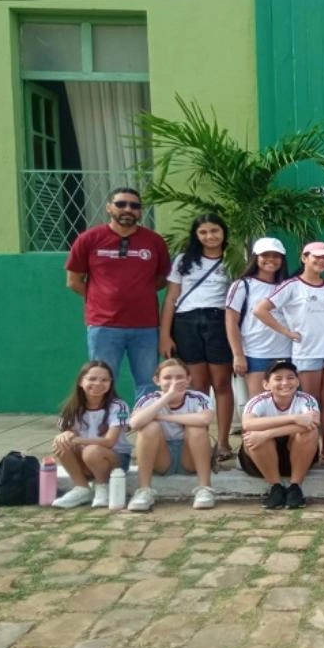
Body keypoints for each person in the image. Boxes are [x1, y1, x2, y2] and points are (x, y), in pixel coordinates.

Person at [65, 187, 171, 401]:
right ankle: (107, 426)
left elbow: (162, 279)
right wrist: (101, 297)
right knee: (101, 380)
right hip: (104, 326)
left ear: (140, 212)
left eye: (134, 206)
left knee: (148, 381)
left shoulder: (154, 241)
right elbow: (74, 281)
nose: (128, 209)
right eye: (121, 204)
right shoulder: (89, 239)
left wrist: (137, 293)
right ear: (109, 207)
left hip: (146, 326)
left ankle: (144, 428)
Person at [255, 241, 324, 461]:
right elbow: (260, 310)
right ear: (304, 257)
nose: (321, 261)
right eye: (316, 257)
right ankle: (309, 450)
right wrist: (286, 332)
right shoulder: (291, 286)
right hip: (307, 353)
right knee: (310, 402)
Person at [160, 214, 234, 460]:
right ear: (196, 235)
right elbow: (171, 298)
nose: (209, 236)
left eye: (214, 230)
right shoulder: (184, 260)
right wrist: (165, 334)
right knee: (198, 386)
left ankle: (223, 443)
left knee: (221, 385)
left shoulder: (233, 260)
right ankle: (199, 438)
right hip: (186, 323)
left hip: (218, 322)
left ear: (223, 232)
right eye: (203, 232)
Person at [127, 358, 216, 512]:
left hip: (190, 456)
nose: (174, 382)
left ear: (188, 379)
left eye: (179, 377)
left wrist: (163, 417)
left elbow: (205, 419)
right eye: (167, 378)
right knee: (149, 427)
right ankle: (143, 491)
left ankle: (205, 488)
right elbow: (134, 423)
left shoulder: (197, 397)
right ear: (157, 380)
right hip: (161, 457)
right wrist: (167, 396)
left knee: (196, 428)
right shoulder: (149, 399)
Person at [49, 361, 132, 509]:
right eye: (92, 379)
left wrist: (77, 440)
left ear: (111, 383)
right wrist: (67, 435)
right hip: (86, 459)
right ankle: (81, 488)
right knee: (60, 443)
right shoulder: (71, 407)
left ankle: (102, 487)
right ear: (81, 382)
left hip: (115, 460)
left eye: (104, 380)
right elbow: (69, 436)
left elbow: (109, 442)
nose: (98, 383)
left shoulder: (119, 406)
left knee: (91, 450)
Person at [239, 361, 319, 510]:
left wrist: (268, 433)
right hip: (261, 461)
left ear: (297, 381)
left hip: (296, 456)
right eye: (278, 379)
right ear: (266, 384)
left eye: (290, 378)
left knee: (310, 431)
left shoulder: (306, 399)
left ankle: (295, 486)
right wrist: (293, 418)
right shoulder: (258, 401)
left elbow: (314, 421)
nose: (285, 383)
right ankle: (275, 487)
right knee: (253, 434)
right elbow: (247, 424)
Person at [224, 237, 292, 398]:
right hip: (256, 353)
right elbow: (231, 321)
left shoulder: (289, 285)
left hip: (286, 352)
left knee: (284, 402)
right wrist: (238, 355)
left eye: (276, 256)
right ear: (256, 257)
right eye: (265, 255)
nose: (271, 259)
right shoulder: (242, 285)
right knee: (259, 402)